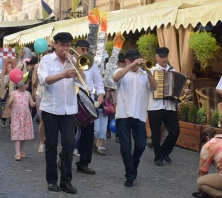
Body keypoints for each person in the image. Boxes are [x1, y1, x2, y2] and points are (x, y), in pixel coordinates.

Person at [38, 32, 85, 194]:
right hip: (51, 108)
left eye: (68, 45)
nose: (66, 48)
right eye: (63, 45)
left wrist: (76, 65)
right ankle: (51, 180)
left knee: (69, 144)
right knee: (51, 145)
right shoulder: (46, 60)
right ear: (55, 45)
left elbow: (83, 80)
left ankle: (66, 181)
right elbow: (45, 80)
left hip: (69, 109)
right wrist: (63, 75)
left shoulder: (72, 61)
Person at [113, 49, 157, 187]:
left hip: (139, 114)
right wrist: (130, 67)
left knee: (141, 145)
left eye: (137, 60)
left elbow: (154, 87)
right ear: (126, 61)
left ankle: (133, 164)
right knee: (125, 147)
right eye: (132, 61)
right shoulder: (120, 71)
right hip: (123, 114)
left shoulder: (144, 74)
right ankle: (130, 175)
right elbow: (115, 78)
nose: (135, 63)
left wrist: (149, 73)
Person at [148, 47, 187, 166]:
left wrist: (182, 94)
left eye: (165, 57)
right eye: (161, 57)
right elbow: (148, 88)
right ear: (156, 57)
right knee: (155, 133)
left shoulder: (173, 70)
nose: (164, 59)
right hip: (154, 106)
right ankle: (157, 157)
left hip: (170, 106)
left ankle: (164, 151)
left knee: (175, 131)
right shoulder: (151, 70)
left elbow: (177, 90)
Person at [73, 40, 105, 172]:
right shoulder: (69, 62)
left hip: (88, 101)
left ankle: (84, 163)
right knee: (69, 133)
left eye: (87, 49)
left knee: (88, 135)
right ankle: (63, 158)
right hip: (72, 99)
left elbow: (98, 81)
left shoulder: (92, 64)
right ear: (76, 49)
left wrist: (101, 94)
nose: (85, 52)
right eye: (82, 49)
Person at [9, 79, 36, 161]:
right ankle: (17, 153)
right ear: (20, 85)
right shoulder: (14, 93)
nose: (27, 86)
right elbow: (9, 106)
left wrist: (37, 101)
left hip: (25, 116)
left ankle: (21, 149)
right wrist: (11, 101)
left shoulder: (28, 93)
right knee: (17, 133)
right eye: (25, 84)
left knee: (24, 134)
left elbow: (31, 104)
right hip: (17, 116)